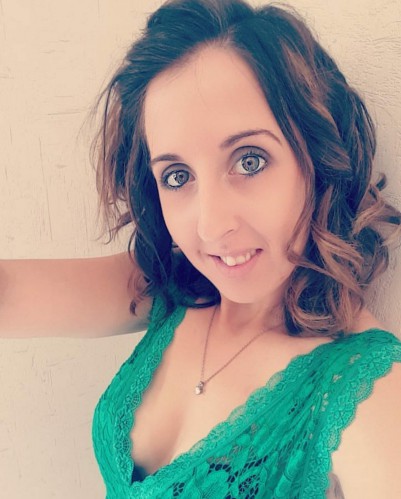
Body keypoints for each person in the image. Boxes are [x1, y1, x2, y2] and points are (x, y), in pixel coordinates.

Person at [1, 0, 401, 497]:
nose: (211, 226)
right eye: (177, 176)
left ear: (316, 158)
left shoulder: (365, 389)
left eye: (249, 161)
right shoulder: (170, 286)